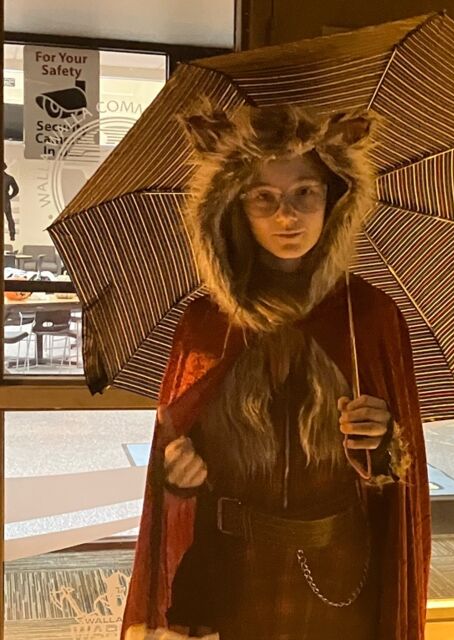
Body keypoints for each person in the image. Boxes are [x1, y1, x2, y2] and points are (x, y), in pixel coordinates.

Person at [122, 105, 430, 640]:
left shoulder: (369, 315)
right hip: (225, 575)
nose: (288, 217)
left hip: (337, 577)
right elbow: (174, 449)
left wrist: (381, 442)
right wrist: (176, 472)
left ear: (334, 197)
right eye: (264, 197)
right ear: (235, 206)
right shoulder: (206, 322)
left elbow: (400, 487)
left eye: (305, 192)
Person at [3, 162, 19, 242]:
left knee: (9, 218)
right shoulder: (9, 178)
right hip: (6, 200)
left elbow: (16, 190)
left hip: (5, 200)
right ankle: (12, 234)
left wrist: (10, 196)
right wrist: (10, 196)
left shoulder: (9, 178)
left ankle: (12, 234)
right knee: (9, 218)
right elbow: (16, 190)